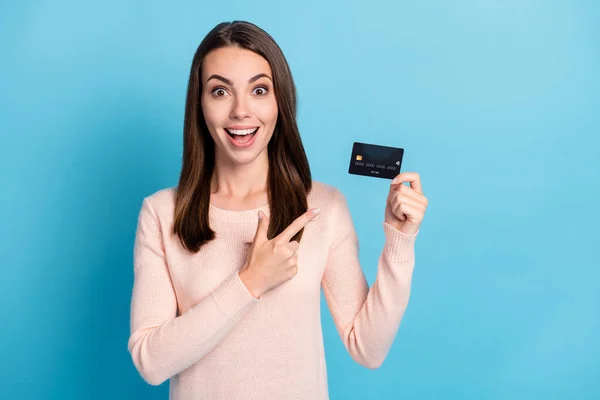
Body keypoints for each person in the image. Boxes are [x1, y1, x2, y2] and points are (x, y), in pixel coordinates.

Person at [127, 20, 429, 400]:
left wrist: (400, 241)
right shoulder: (161, 213)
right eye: (220, 91)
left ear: (279, 101)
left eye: (259, 90)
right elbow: (150, 362)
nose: (241, 110)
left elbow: (368, 349)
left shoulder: (324, 207)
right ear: (199, 105)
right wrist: (249, 282)